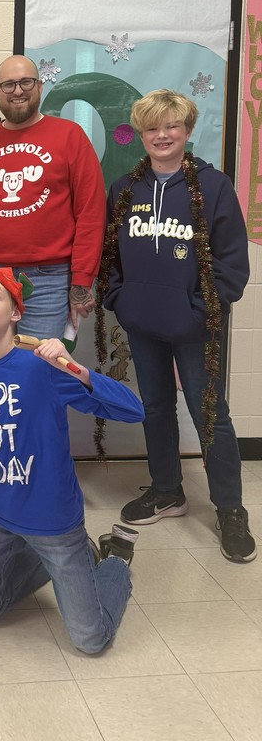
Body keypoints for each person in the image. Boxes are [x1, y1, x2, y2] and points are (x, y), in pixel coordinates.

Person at [0, 267, 144, 654]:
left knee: (91, 641)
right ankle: (56, 561)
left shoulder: (41, 366)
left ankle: (115, 560)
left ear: (16, 312)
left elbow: (134, 410)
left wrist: (78, 369)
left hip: (52, 520)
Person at [97, 89, 255, 562]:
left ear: (187, 131)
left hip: (194, 327)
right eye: (152, 128)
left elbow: (232, 264)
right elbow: (112, 257)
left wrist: (201, 308)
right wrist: (121, 300)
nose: (161, 135)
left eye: (171, 126)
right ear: (141, 134)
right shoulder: (125, 187)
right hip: (143, 323)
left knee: (212, 416)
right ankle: (167, 490)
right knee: (156, 408)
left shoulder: (215, 187)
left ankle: (230, 509)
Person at [0, 54, 105, 339]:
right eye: (9, 85)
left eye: (25, 82)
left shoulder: (69, 136)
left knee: (39, 367)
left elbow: (91, 212)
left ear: (39, 87)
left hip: (49, 280)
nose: (18, 91)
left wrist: (81, 282)